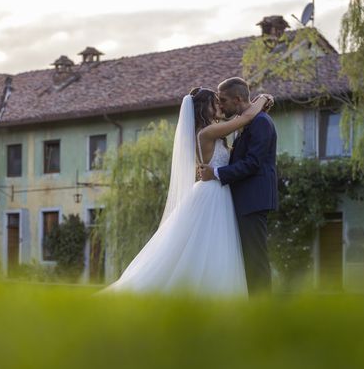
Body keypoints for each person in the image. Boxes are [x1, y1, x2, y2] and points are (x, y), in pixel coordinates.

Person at [102, 87, 272, 296]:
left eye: (220, 102)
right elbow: (245, 118)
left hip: (218, 191)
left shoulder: (212, 132)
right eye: (215, 103)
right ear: (204, 109)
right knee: (210, 244)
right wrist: (263, 98)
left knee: (212, 248)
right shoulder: (207, 132)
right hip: (213, 194)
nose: (219, 105)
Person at [199, 77, 278, 294]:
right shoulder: (244, 122)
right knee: (247, 258)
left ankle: (262, 311)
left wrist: (215, 173)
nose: (221, 105)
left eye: (223, 100)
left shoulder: (260, 122)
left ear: (238, 98)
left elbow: (252, 163)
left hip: (253, 199)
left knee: (256, 259)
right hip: (242, 200)